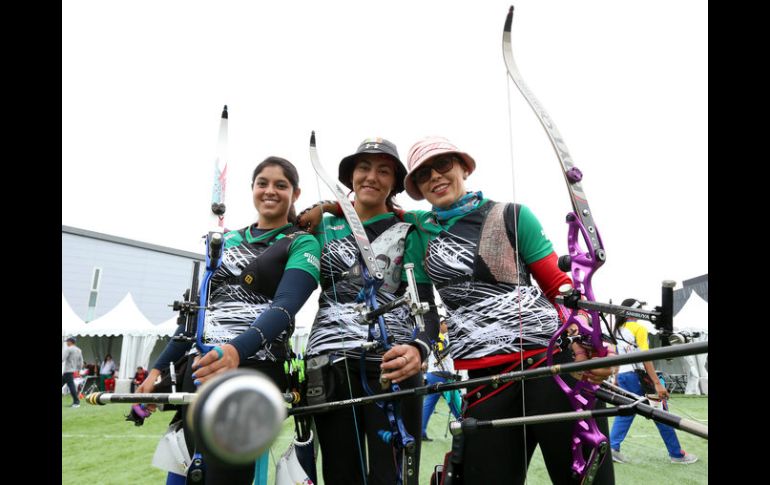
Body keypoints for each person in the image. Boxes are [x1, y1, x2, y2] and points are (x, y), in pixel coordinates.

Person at [399, 136, 616, 484]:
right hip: (487, 383)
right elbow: (424, 313)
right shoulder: (418, 235)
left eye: (443, 165)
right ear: (418, 188)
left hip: (552, 366)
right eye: (423, 174)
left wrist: (589, 335)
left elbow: (558, 285)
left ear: (463, 167)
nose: (435, 177)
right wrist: (418, 345)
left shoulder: (512, 215)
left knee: (586, 479)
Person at [137, 156, 321, 485]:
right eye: (262, 183)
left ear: (295, 193)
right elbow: (196, 315)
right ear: (252, 188)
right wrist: (156, 369)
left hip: (255, 367)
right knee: (185, 472)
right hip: (203, 363)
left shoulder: (301, 241)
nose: (270, 191)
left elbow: (284, 308)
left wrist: (234, 351)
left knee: (223, 476)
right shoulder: (225, 241)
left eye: (281, 185)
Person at [298, 137, 439, 484]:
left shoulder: (411, 227)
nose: (371, 177)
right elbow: (287, 227)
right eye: (363, 168)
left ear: (394, 183)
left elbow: (426, 307)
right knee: (340, 472)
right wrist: (328, 207)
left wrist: (419, 349)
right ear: (350, 176)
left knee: (391, 474)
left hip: (392, 361)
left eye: (383, 171)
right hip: (328, 360)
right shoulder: (323, 227)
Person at [609, 298, 698, 465]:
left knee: (627, 412)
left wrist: (615, 378)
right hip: (638, 376)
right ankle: (676, 454)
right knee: (661, 412)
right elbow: (645, 358)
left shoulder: (617, 330)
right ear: (635, 311)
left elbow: (616, 358)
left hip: (623, 376)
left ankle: (612, 448)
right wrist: (657, 382)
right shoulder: (638, 328)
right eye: (641, 309)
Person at [421, 320, 462, 441]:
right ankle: (463, 424)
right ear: (440, 325)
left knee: (429, 404)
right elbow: (440, 353)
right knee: (454, 402)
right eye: (445, 323)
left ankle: (420, 431)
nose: (447, 326)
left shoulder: (438, 337)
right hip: (441, 375)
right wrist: (454, 345)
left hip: (434, 374)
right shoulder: (439, 337)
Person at [62, 337, 83, 408]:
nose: (67, 343)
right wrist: (79, 370)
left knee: (72, 387)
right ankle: (76, 402)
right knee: (71, 386)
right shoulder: (79, 350)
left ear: (70, 342)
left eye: (67, 341)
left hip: (67, 371)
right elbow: (81, 362)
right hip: (72, 371)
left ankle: (76, 402)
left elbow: (62, 358)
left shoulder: (69, 349)